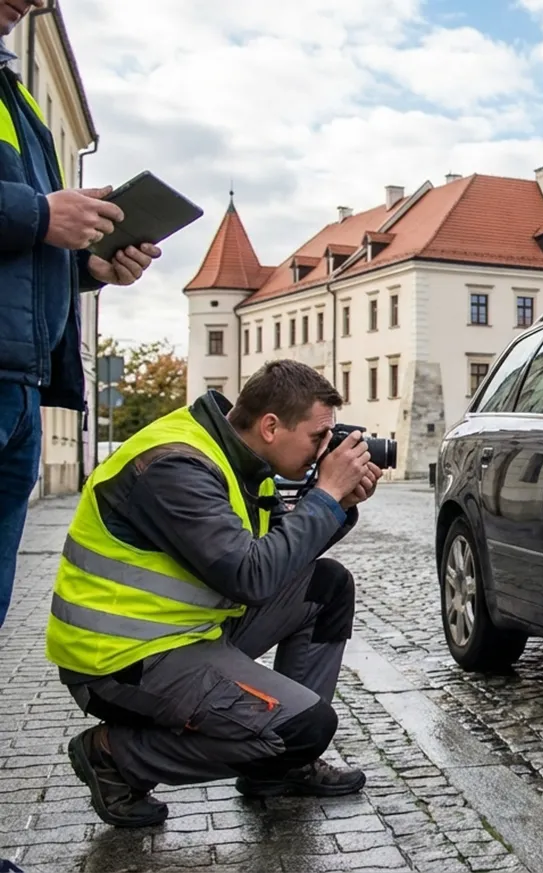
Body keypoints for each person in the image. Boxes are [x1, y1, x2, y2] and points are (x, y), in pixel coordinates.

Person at [45, 360, 382, 828]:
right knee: (306, 728)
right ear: (270, 426)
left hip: (189, 633)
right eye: (317, 437)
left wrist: (337, 505)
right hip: (121, 661)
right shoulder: (175, 465)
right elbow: (250, 576)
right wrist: (323, 495)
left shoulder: (241, 458)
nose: (325, 448)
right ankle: (115, 758)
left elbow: (278, 556)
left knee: (326, 586)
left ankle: (277, 771)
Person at [0, 0, 163, 629]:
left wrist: (87, 266)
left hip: (19, 382)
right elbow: (33, 218)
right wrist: (42, 214)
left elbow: (26, 249)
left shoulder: (14, 92)